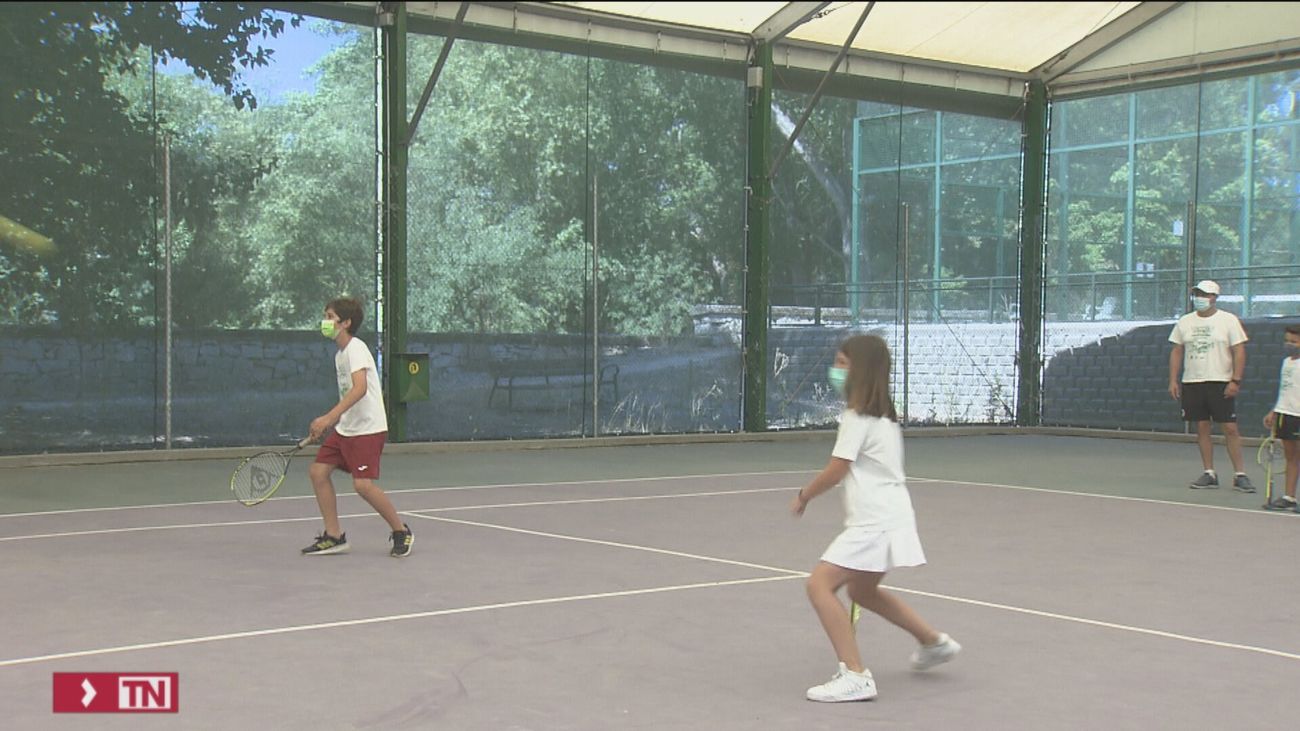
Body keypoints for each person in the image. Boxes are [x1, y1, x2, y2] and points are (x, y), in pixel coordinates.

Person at [789, 334, 959, 703]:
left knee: (819, 585)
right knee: (862, 591)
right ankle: (933, 642)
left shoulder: (856, 418)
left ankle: (855, 674)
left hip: (875, 522)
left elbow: (837, 469)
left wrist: (805, 495)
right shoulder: (884, 420)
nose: (835, 371)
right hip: (894, 517)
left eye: (842, 364)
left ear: (860, 371)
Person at [301, 297, 414, 557]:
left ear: (346, 323)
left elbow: (360, 389)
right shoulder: (340, 354)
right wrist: (335, 422)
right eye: (326, 316)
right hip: (346, 428)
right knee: (318, 472)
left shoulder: (356, 349)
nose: (325, 322)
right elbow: (347, 395)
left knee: (363, 486)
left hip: (368, 428)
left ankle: (401, 531)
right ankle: (333, 536)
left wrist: (328, 418)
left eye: (330, 317)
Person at [1167, 280, 1253, 491]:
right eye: (1197, 293)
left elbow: (1239, 350)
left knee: (1230, 428)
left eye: (1204, 294)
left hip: (1220, 381)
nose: (1200, 297)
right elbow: (1177, 350)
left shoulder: (1228, 320)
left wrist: (1236, 380)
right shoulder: (1185, 322)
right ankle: (1209, 473)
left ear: (1214, 297)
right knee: (1202, 426)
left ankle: (1240, 474)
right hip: (1193, 381)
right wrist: (1173, 380)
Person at [1262, 324, 1300, 511]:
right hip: (1286, 414)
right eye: (1287, 341)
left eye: (1294, 341)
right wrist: (1274, 411)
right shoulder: (1286, 363)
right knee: (1291, 457)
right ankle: (1289, 497)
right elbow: (1284, 391)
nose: (1289, 344)